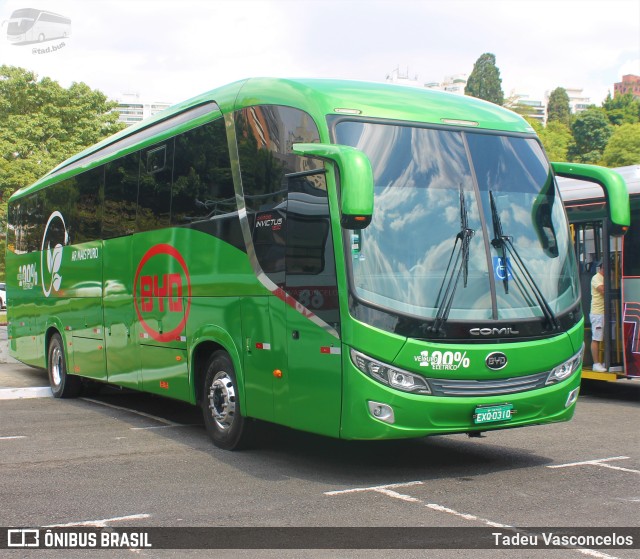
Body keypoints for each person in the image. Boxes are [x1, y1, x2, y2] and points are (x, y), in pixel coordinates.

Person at [590, 261, 606, 372]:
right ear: (602, 268)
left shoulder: (605, 278)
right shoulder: (596, 278)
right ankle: (596, 364)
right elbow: (603, 290)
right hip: (597, 312)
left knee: (605, 338)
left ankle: (605, 361)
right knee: (596, 338)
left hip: (605, 312)